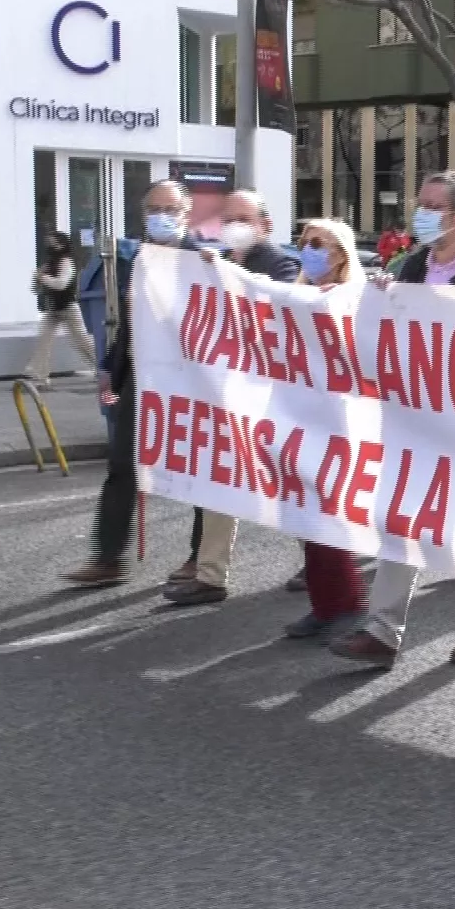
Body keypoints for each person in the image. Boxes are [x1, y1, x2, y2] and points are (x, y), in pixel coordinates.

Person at [329, 172, 455, 667]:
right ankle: (382, 630)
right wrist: (381, 296)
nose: (418, 213)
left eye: (430, 206)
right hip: (415, 421)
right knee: (401, 516)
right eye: (419, 203)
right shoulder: (411, 266)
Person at [63, 180, 205, 588]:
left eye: (170, 208)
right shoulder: (140, 258)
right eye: (153, 209)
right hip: (140, 381)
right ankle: (108, 557)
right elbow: (130, 324)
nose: (161, 216)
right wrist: (109, 365)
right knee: (121, 466)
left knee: (198, 475)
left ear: (186, 213)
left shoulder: (203, 260)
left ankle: (201, 558)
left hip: (188, 386)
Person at [163, 189, 302, 605]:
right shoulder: (215, 266)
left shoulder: (279, 264)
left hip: (275, 399)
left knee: (294, 484)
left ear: (265, 226)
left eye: (244, 219)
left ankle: (326, 562)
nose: (234, 227)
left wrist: (226, 275)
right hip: (229, 395)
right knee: (218, 479)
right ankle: (210, 575)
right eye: (228, 219)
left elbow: (284, 303)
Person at [262, 218, 373, 639]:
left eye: (319, 243)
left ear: (341, 254)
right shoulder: (297, 295)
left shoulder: (355, 298)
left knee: (322, 514)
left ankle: (340, 604)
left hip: (337, 421)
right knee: (303, 514)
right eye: (304, 242)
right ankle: (333, 601)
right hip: (293, 416)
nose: (308, 249)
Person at [23, 230, 96, 387]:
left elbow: (61, 284)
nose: (50, 246)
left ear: (62, 244)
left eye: (53, 243)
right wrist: (37, 279)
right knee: (44, 340)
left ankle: (104, 368)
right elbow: (36, 289)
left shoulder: (66, 262)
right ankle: (39, 376)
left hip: (68, 307)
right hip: (53, 308)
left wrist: (43, 278)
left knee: (81, 340)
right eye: (48, 243)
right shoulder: (49, 264)